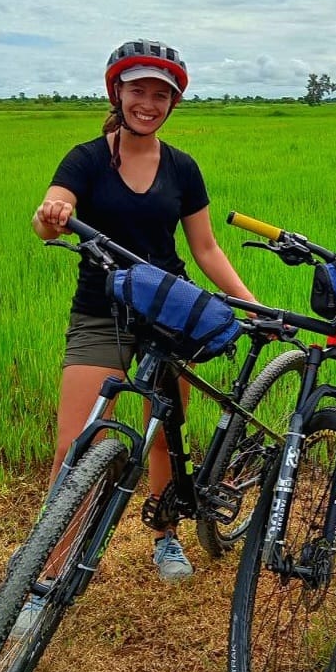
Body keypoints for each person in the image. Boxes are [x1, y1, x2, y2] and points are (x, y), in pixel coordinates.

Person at [32, 38, 258, 584]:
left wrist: (249, 305)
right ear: (118, 92)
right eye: (139, 91)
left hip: (169, 317)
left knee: (164, 433)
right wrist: (52, 214)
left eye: (162, 95)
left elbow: (204, 248)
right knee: (78, 442)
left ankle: (166, 540)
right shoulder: (86, 158)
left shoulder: (182, 167)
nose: (149, 104)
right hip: (100, 312)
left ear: (172, 103)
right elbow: (48, 217)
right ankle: (49, 571)